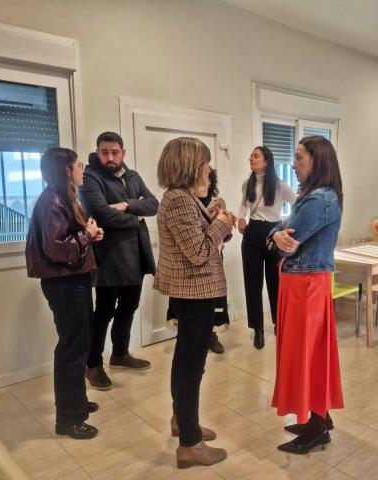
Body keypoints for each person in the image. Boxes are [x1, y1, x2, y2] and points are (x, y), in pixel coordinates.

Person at [154, 137, 235, 468]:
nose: (209, 168)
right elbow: (200, 252)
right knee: (191, 367)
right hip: (194, 292)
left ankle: (182, 421)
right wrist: (221, 225)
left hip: (191, 292)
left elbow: (198, 238)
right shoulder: (179, 201)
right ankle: (190, 443)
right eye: (205, 162)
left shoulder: (183, 198)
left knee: (183, 360)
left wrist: (213, 217)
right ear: (190, 165)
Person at [268, 136, 344, 454]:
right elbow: (280, 230)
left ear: (318, 160)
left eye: (299, 158)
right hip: (305, 282)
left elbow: (289, 240)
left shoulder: (318, 200)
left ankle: (316, 426)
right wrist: (275, 233)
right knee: (310, 352)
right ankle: (318, 416)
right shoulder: (317, 196)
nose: (294, 164)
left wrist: (275, 235)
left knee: (306, 354)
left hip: (305, 285)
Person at [25, 147, 104, 439]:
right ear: (66, 171)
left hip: (72, 281)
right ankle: (69, 418)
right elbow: (57, 249)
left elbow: (68, 239)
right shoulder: (53, 202)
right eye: (78, 165)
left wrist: (89, 235)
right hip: (65, 284)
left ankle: (76, 401)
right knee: (72, 348)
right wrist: (87, 235)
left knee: (78, 344)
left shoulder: (63, 198)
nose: (82, 170)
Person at [80, 132, 159, 391]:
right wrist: (136, 216)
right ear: (98, 152)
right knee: (103, 312)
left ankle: (120, 354)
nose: (110, 157)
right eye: (105, 152)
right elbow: (101, 214)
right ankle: (93, 365)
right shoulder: (90, 178)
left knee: (129, 306)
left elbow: (154, 204)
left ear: (123, 152)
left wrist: (125, 205)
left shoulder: (132, 175)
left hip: (136, 256)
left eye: (115, 152)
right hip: (109, 258)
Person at [165, 168, 231, 354]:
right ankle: (185, 332)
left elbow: (224, 233)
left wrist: (223, 225)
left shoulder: (218, 202)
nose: (205, 181)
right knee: (185, 302)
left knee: (213, 299)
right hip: (187, 261)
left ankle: (211, 334)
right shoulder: (184, 200)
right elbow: (190, 240)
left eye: (209, 178)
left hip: (213, 257)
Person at [238, 146, 296, 349]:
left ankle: (279, 323)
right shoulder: (247, 183)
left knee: (276, 282)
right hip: (252, 232)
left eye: (255, 156)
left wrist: (286, 224)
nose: (251, 159)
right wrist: (241, 218)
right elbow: (244, 204)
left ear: (266, 162)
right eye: (250, 156)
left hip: (274, 233)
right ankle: (258, 329)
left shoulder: (280, 185)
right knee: (252, 283)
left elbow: (297, 204)